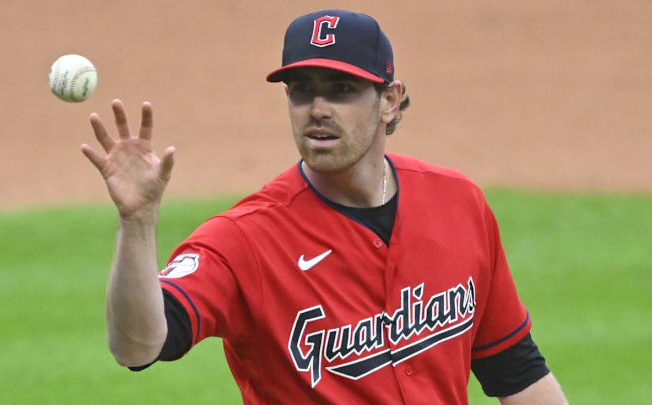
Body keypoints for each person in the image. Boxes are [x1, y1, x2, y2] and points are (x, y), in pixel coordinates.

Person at [81, 9, 568, 405]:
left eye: (342, 90)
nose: (318, 108)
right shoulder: (245, 240)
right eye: (302, 90)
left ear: (390, 100)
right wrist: (138, 223)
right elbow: (138, 347)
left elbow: (515, 369)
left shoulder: (459, 203)